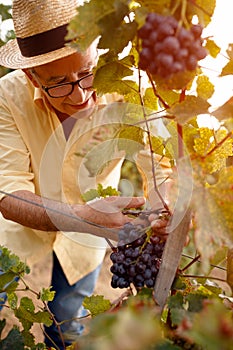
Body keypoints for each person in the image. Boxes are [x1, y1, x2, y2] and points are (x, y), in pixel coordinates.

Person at [0, 0, 146, 348]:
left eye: (86, 73)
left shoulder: (128, 85)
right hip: (19, 232)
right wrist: (83, 216)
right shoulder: (7, 98)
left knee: (66, 323)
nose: (81, 95)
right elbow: (7, 193)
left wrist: (162, 202)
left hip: (89, 239)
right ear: (31, 75)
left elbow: (164, 168)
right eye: (59, 83)